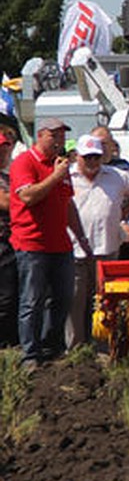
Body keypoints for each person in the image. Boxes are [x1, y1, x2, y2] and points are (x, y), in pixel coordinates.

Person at [9, 118, 91, 368]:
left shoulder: (61, 167)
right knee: (31, 300)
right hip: (32, 243)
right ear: (41, 135)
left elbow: (67, 205)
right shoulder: (25, 162)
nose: (59, 141)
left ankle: (52, 347)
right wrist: (56, 176)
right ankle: (30, 354)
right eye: (54, 136)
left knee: (63, 297)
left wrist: (81, 237)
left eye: (62, 136)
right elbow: (27, 196)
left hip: (60, 244)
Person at [68, 134, 129, 349]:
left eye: (96, 157)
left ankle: (104, 345)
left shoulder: (117, 176)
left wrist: (123, 212)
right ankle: (76, 347)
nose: (92, 162)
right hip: (75, 248)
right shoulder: (67, 176)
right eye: (87, 158)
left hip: (107, 247)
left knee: (104, 299)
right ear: (78, 157)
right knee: (76, 301)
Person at [0, 131, 18, 347]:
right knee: (4, 297)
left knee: (13, 295)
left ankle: (12, 342)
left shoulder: (9, 176)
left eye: (5, 148)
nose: (3, 152)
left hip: (15, 240)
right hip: (2, 241)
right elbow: (6, 203)